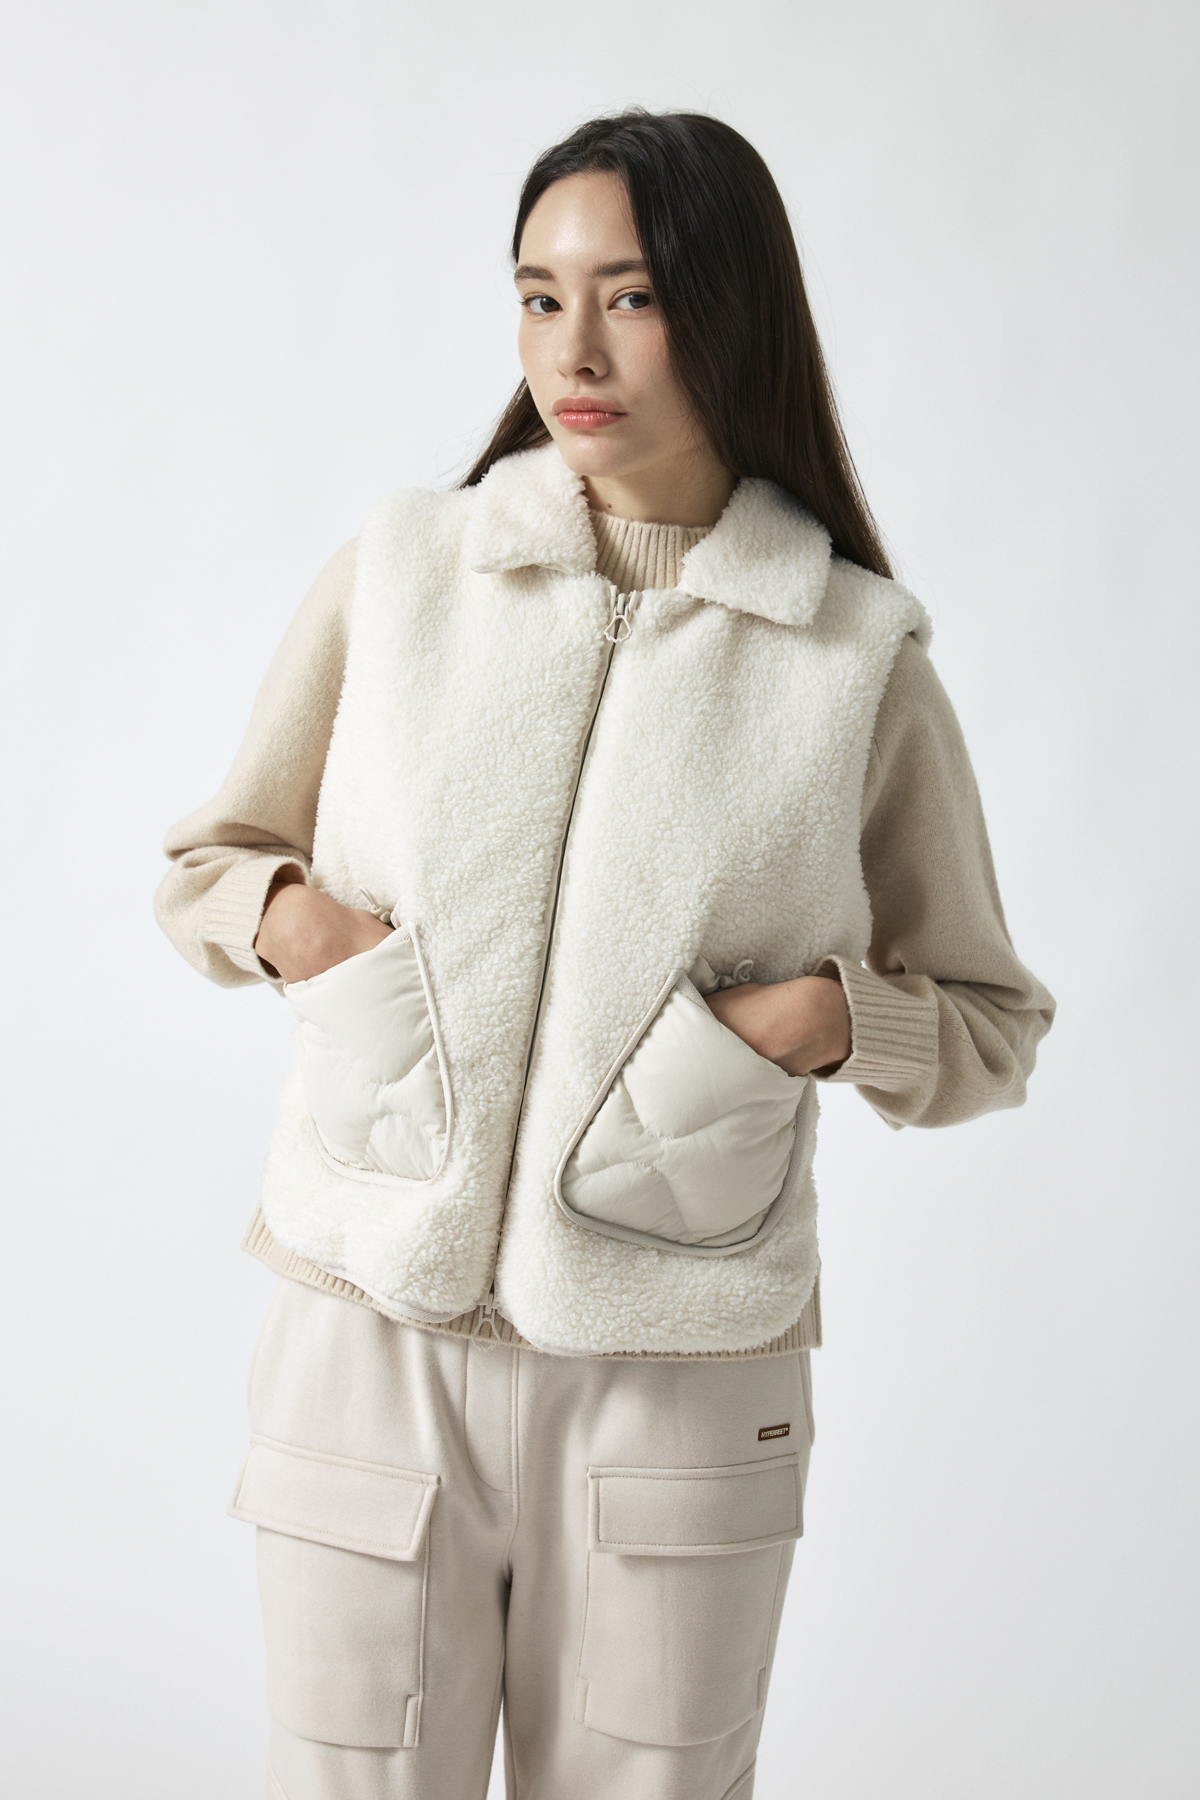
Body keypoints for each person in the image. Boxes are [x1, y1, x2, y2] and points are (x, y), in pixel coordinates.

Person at [156, 109, 1054, 1800]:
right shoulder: (401, 573)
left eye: (630, 298)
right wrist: (304, 931)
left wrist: (824, 1020)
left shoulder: (854, 659)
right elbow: (208, 865)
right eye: (538, 294)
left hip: (679, 1385)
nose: (573, 350)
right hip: (371, 1341)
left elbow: (992, 1024)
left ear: (730, 309)